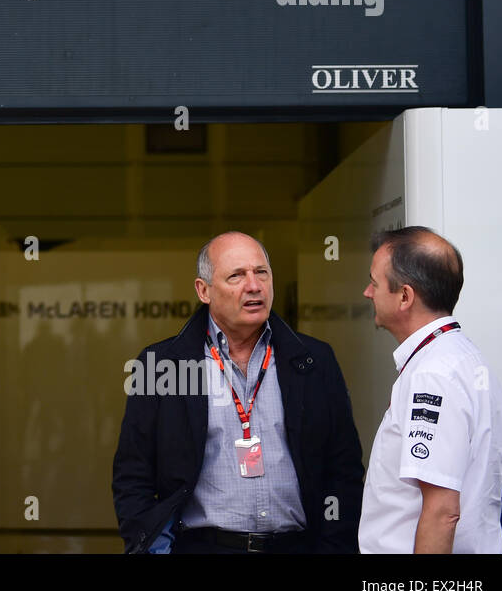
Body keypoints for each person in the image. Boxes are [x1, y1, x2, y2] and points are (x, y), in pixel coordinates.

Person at [112, 232, 364, 553]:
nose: (254, 285)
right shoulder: (162, 365)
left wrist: (333, 547)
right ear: (204, 290)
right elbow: (132, 475)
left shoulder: (314, 361)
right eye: (236, 276)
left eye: (261, 272)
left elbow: (344, 470)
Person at [358, 227, 502, 553]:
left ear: (405, 297)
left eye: (374, 282)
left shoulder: (433, 374)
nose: (367, 293)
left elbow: (442, 512)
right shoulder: (463, 359)